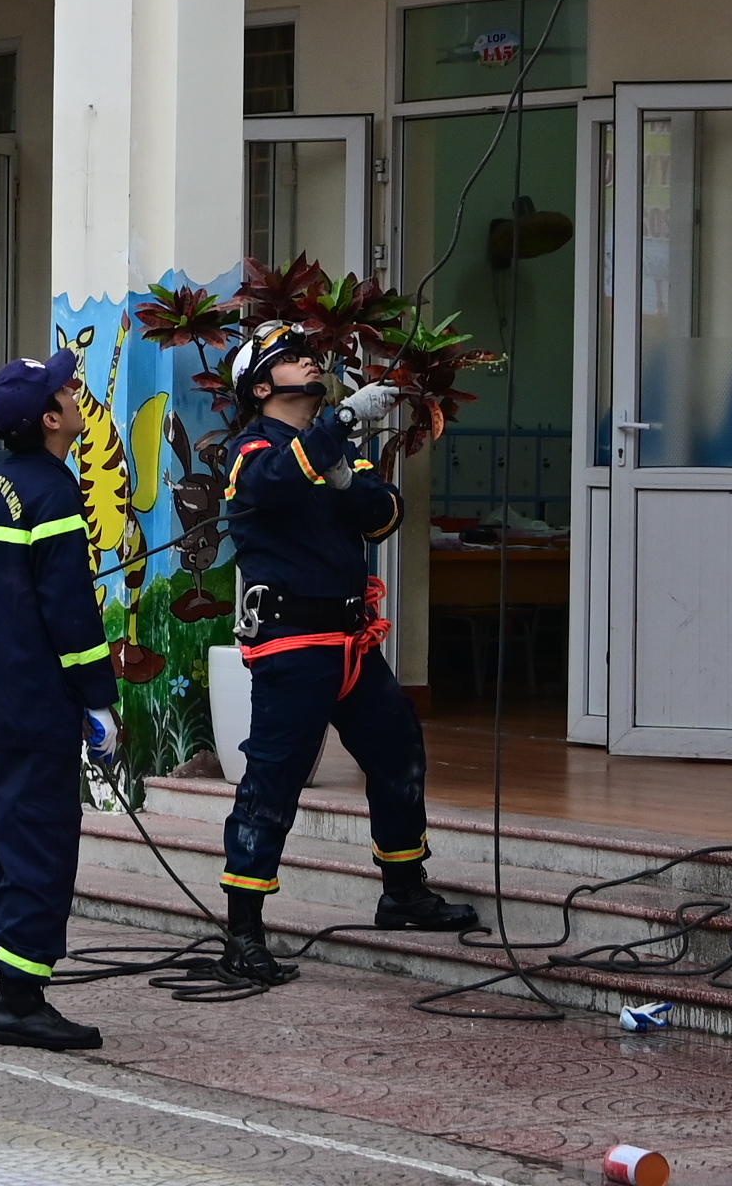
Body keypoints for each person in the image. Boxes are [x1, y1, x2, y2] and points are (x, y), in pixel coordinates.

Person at [212, 321, 477, 988]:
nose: (312, 362)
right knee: (271, 786)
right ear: (263, 384)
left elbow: (385, 514)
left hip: (353, 642)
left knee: (399, 754)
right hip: (292, 646)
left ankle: (403, 890)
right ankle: (242, 933)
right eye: (295, 358)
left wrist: (340, 472)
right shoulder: (248, 450)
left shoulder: (331, 449)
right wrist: (335, 434)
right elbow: (269, 482)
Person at [0, 352, 121, 1050]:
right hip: (33, 703)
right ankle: (19, 996)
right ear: (49, 419)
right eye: (67, 390)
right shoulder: (53, 492)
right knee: (38, 846)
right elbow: (69, 611)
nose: (76, 395)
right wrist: (98, 699)